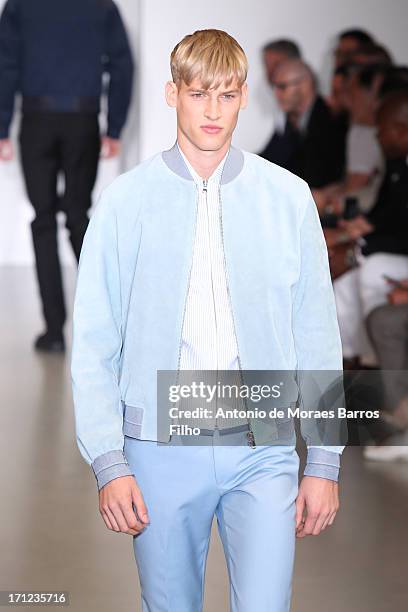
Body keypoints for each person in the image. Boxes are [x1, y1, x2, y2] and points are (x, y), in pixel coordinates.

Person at [71, 29, 344, 612]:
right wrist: (109, 460)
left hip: (263, 445)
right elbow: (95, 342)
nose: (213, 111)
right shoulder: (125, 203)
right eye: (199, 94)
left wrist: (323, 459)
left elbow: (316, 332)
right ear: (173, 94)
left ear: (245, 96)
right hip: (159, 447)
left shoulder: (288, 198)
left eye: (226, 95)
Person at [0, 0, 134, 352]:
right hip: (82, 119)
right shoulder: (100, 5)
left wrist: (1, 127)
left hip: (36, 120)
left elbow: (5, 64)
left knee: (43, 220)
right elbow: (122, 64)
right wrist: (114, 126)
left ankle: (54, 331)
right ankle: (111, 323)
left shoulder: (21, 5)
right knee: (78, 217)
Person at [333, 90, 408, 365]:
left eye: (382, 130)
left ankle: (377, 362)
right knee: (342, 286)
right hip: (391, 249)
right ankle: (349, 361)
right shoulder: (398, 163)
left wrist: (362, 248)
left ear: (402, 130)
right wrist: (359, 230)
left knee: (372, 270)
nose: (377, 137)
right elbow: (388, 214)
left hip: (398, 256)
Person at [259, 59, 346, 207]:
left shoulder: (331, 120)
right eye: (274, 87)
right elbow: (268, 161)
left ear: (305, 85)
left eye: (282, 86)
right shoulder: (290, 121)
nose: (276, 94)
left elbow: (322, 175)